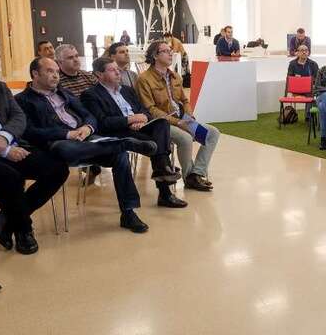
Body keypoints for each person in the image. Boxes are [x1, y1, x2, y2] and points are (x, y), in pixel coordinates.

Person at [16, 57, 155, 233]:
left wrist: (88, 127)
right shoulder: (23, 99)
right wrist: (67, 134)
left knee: (120, 156)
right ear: (35, 74)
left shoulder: (64, 93)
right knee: (66, 149)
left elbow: (89, 115)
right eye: (50, 71)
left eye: (57, 72)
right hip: (58, 142)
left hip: (86, 137)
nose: (56, 76)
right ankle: (122, 144)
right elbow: (29, 132)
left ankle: (128, 213)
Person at [81, 57, 187, 209]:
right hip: (119, 131)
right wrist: (130, 119)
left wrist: (143, 119)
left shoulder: (127, 90)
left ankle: (162, 170)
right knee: (157, 145)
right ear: (99, 74)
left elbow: (144, 111)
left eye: (118, 69)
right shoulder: (91, 95)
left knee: (162, 123)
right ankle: (165, 191)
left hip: (140, 127)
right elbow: (103, 123)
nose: (118, 72)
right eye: (112, 70)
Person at [0, 78, 69, 255]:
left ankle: (7, 218)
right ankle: (23, 229)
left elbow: (18, 117)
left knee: (57, 169)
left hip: (12, 143)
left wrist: (4, 137)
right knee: (10, 177)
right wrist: (4, 151)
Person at [136, 40, 221, 192]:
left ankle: (196, 174)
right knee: (185, 138)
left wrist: (188, 115)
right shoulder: (144, 79)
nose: (171, 54)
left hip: (182, 120)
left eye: (170, 50)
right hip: (161, 124)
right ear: (155, 56)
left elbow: (184, 100)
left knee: (212, 133)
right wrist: (177, 122)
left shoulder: (175, 76)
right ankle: (189, 177)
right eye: (165, 51)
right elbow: (150, 109)